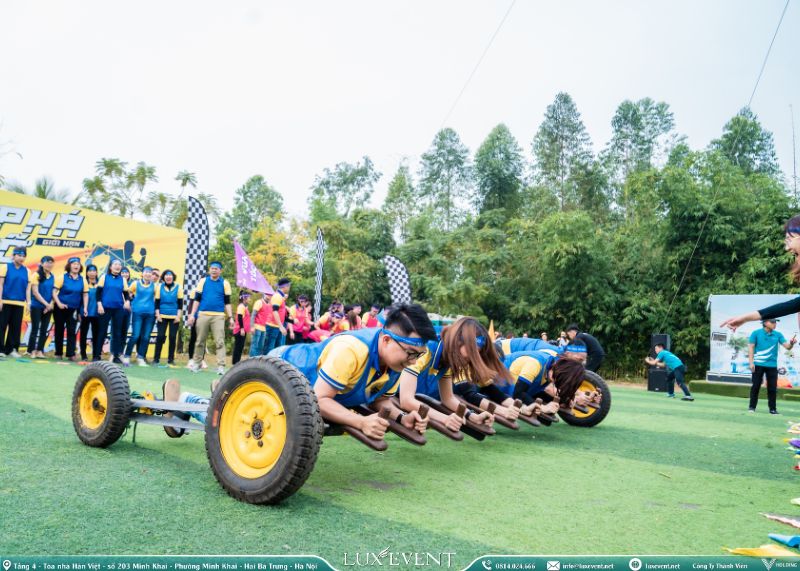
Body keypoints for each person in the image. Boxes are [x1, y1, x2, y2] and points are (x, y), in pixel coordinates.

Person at [175, 304, 437, 441]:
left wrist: (402, 418)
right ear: (387, 340)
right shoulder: (352, 350)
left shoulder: (395, 363)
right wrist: (360, 422)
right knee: (238, 423)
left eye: (419, 356)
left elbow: (379, 399)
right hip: (277, 370)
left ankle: (220, 391)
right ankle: (194, 401)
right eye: (411, 353)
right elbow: (319, 399)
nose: (414, 362)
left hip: (301, 389)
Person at [396, 317, 503, 429]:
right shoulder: (425, 348)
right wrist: (444, 418)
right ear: (458, 341)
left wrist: (472, 415)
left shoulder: (448, 357)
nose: (470, 360)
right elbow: (406, 400)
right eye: (470, 354)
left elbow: (448, 398)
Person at [188, 261, 233, 375]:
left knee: (220, 342)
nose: (214, 270)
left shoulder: (225, 283)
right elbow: (196, 299)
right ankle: (197, 364)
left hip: (218, 316)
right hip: (202, 314)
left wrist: (231, 317)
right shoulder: (203, 281)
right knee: (199, 341)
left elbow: (227, 302)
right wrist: (193, 314)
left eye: (216, 269)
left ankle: (221, 366)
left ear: (220, 271)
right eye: (212, 268)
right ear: (209, 270)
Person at [747, 318, 794, 414]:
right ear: (765, 323)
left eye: (775, 322)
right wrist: (751, 363)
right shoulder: (755, 333)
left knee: (772, 388)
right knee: (755, 386)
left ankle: (772, 409)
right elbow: (751, 347)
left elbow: (787, 347)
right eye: (772, 322)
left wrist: (792, 343)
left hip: (772, 365)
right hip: (758, 364)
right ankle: (752, 407)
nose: (775, 323)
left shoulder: (778, 334)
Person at [52, 257, 89, 361]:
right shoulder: (62, 277)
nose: (76, 265)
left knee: (72, 331)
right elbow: (54, 292)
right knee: (59, 330)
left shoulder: (83, 280)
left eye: (78, 264)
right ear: (69, 266)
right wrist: (59, 303)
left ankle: (70, 354)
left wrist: (85, 308)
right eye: (73, 264)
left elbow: (85, 295)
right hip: (60, 308)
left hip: (74, 309)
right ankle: (58, 353)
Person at [95, 259, 130, 364]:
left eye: (119, 265)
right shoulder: (104, 277)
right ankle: (97, 355)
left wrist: (127, 301)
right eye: (115, 264)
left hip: (118, 309)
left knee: (117, 333)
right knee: (102, 332)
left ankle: (116, 355)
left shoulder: (122, 280)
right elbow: (98, 293)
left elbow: (126, 294)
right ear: (110, 267)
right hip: (105, 308)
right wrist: (99, 305)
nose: (117, 266)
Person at [124, 266, 157, 366]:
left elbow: (157, 298)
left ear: (152, 275)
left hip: (150, 314)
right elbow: (128, 293)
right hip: (137, 313)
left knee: (146, 337)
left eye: (150, 272)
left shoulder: (155, 286)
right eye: (146, 272)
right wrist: (129, 302)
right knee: (135, 335)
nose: (148, 274)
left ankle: (140, 357)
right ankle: (127, 356)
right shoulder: (135, 283)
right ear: (142, 274)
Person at [0, 247, 29, 357]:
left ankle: (11, 350)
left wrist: (28, 303)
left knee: (15, 327)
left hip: (19, 303)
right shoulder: (5, 267)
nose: (21, 258)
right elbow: (1, 284)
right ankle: (1, 350)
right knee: (2, 326)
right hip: (5, 301)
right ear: (13, 255)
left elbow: (27, 288)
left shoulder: (27, 270)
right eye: (19, 255)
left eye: (23, 256)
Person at [27, 255, 55, 359]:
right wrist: (46, 304)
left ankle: (40, 351)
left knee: (44, 330)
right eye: (47, 262)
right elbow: (35, 292)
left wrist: (50, 304)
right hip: (37, 306)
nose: (49, 264)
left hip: (48, 308)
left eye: (51, 262)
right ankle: (31, 351)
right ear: (42, 263)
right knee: (35, 329)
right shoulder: (36, 275)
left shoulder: (53, 276)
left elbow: (54, 292)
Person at [153, 269, 183, 365]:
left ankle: (171, 360)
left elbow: (180, 303)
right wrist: (157, 315)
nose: (168, 277)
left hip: (174, 317)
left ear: (173, 277)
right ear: (163, 278)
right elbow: (157, 302)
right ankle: (156, 359)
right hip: (162, 316)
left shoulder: (178, 287)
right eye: (166, 275)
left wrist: (178, 316)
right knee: (160, 336)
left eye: (170, 275)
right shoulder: (159, 287)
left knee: (173, 337)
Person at [262, 278, 291, 355]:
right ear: (285, 286)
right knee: (269, 349)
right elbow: (275, 311)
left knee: (276, 349)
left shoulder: (280, 296)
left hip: (276, 326)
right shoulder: (277, 296)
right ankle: (263, 366)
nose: (289, 288)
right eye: (288, 286)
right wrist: (281, 326)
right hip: (272, 326)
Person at [79, 264, 100, 361]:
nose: (92, 272)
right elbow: (80, 298)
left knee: (96, 335)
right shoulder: (83, 283)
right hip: (85, 312)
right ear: (86, 272)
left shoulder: (100, 284)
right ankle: (83, 355)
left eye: (94, 270)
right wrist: (80, 312)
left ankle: (96, 355)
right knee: (83, 334)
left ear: (96, 272)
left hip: (97, 313)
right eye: (90, 270)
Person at [231, 290, 251, 364]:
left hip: (243, 330)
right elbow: (239, 317)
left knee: (240, 347)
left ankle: (237, 362)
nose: (249, 299)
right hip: (239, 330)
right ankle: (235, 363)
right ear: (244, 298)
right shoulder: (241, 306)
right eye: (249, 298)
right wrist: (242, 329)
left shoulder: (245, 307)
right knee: (238, 347)